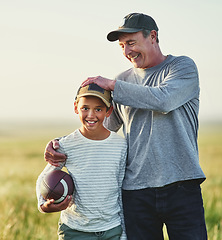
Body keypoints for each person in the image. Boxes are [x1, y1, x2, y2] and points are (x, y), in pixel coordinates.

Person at [45, 13, 207, 240]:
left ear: (153, 36)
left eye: (131, 43)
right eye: (122, 46)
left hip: (181, 186)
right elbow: (102, 129)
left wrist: (112, 85)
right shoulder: (123, 80)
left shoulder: (181, 67)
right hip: (136, 192)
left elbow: (163, 100)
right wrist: (60, 144)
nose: (127, 51)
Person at [36, 83, 128, 240]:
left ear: (109, 111)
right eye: (85, 108)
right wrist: (43, 205)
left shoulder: (120, 146)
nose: (91, 115)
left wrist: (123, 233)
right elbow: (43, 178)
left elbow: (120, 190)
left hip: (111, 229)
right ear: (75, 107)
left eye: (98, 109)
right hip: (75, 230)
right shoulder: (65, 145)